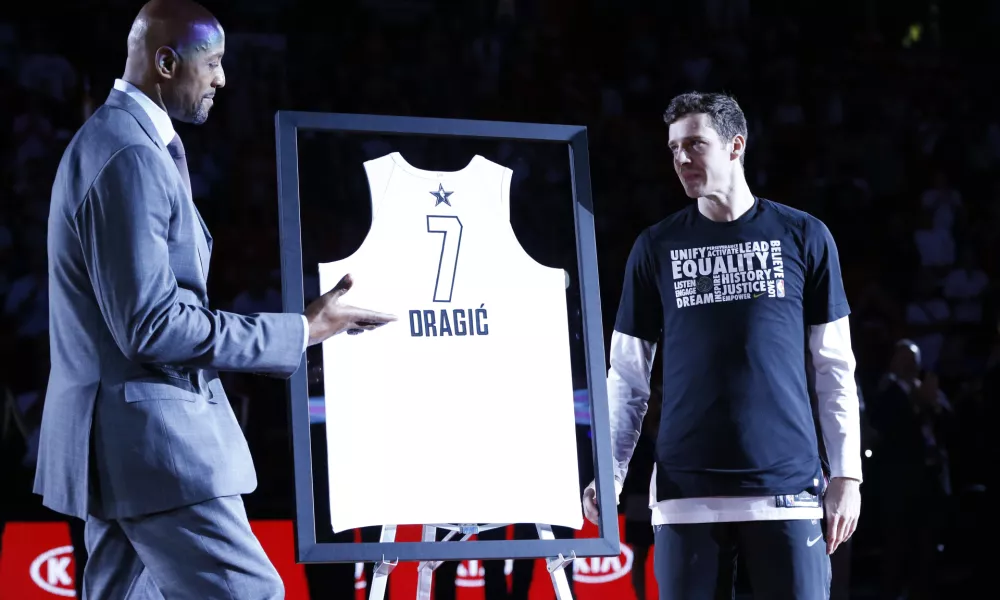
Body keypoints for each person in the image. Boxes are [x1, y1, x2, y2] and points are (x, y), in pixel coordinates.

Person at [34, 0, 396, 597]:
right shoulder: (129, 156)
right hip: (153, 450)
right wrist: (299, 330)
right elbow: (151, 326)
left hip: (123, 446)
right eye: (215, 63)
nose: (223, 79)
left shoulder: (118, 143)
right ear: (167, 62)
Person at [582, 92, 862, 599]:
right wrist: (611, 470)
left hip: (787, 491)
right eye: (673, 149)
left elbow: (834, 366)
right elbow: (626, 376)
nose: (682, 159)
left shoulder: (804, 236)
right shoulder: (655, 246)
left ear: (736, 146)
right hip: (686, 494)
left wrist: (847, 474)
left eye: (695, 144)